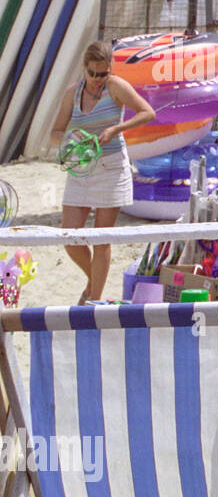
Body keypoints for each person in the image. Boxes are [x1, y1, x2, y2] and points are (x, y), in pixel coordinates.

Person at [48, 41, 156, 304]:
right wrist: (70, 138)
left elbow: (148, 112)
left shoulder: (116, 86)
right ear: (84, 69)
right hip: (82, 167)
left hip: (111, 167)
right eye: (92, 73)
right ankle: (92, 283)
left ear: (110, 70)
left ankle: (93, 300)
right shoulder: (72, 92)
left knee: (101, 239)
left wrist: (115, 130)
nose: (97, 79)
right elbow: (54, 133)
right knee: (70, 237)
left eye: (102, 73)